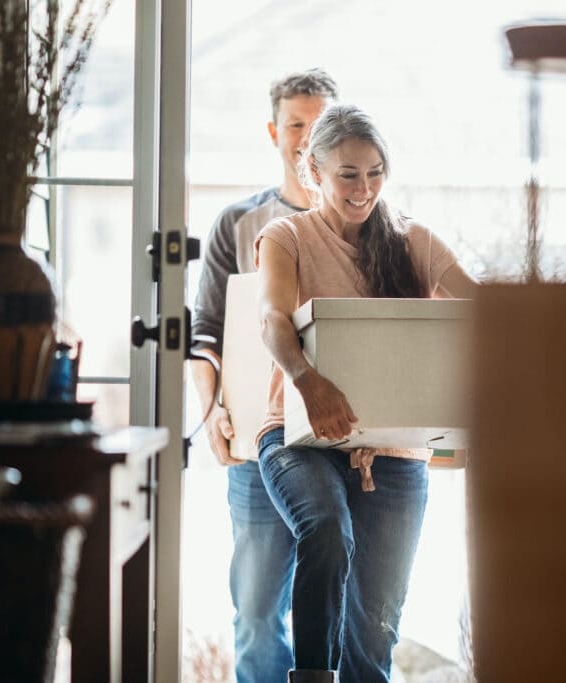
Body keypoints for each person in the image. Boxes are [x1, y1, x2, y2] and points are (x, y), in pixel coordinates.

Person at [253, 104, 478, 683]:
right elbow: (272, 319)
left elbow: (481, 312)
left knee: (374, 634)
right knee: (326, 527)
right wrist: (309, 380)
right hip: (298, 437)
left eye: (375, 172)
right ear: (315, 173)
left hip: (396, 453)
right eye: (348, 174)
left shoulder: (413, 241)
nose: (364, 188)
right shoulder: (287, 236)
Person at [189, 68, 338, 683]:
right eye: (295, 124)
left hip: (339, 445)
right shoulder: (237, 224)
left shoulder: (362, 224)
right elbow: (204, 335)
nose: (306, 138)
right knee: (255, 612)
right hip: (255, 446)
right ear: (274, 132)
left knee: (339, 610)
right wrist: (213, 410)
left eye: (318, 124)